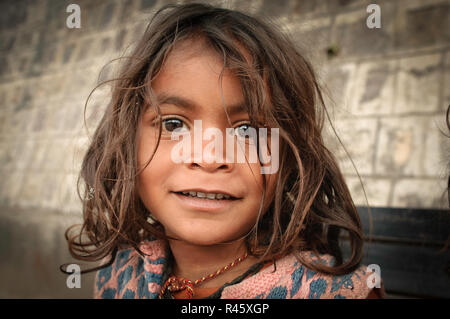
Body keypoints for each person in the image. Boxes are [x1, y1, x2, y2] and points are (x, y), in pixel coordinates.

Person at [63, 3, 384, 299]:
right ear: (126, 143)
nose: (209, 157)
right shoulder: (118, 274)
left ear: (288, 159)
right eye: (174, 124)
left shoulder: (336, 294)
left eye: (247, 131)